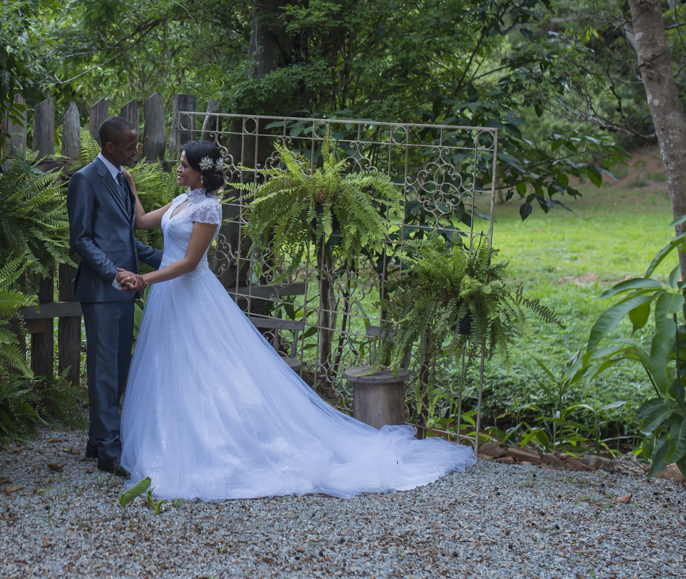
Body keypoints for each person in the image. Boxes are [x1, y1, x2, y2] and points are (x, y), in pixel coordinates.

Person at [116, 139, 476, 500]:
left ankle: (220, 445)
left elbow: (189, 263)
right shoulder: (182, 200)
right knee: (172, 365)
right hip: (168, 296)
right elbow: (143, 221)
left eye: (183, 165)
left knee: (208, 365)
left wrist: (144, 278)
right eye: (179, 164)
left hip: (191, 293)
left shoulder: (209, 208)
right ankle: (175, 436)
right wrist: (131, 186)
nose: (177, 169)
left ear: (201, 172)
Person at [65, 116, 163, 478]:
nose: (137, 151)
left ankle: (95, 441)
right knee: (105, 371)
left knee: (120, 369)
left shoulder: (122, 179)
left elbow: (124, 239)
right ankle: (109, 450)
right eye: (130, 146)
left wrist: (166, 261)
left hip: (125, 290)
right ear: (109, 147)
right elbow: (81, 239)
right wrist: (113, 273)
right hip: (102, 291)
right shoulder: (84, 180)